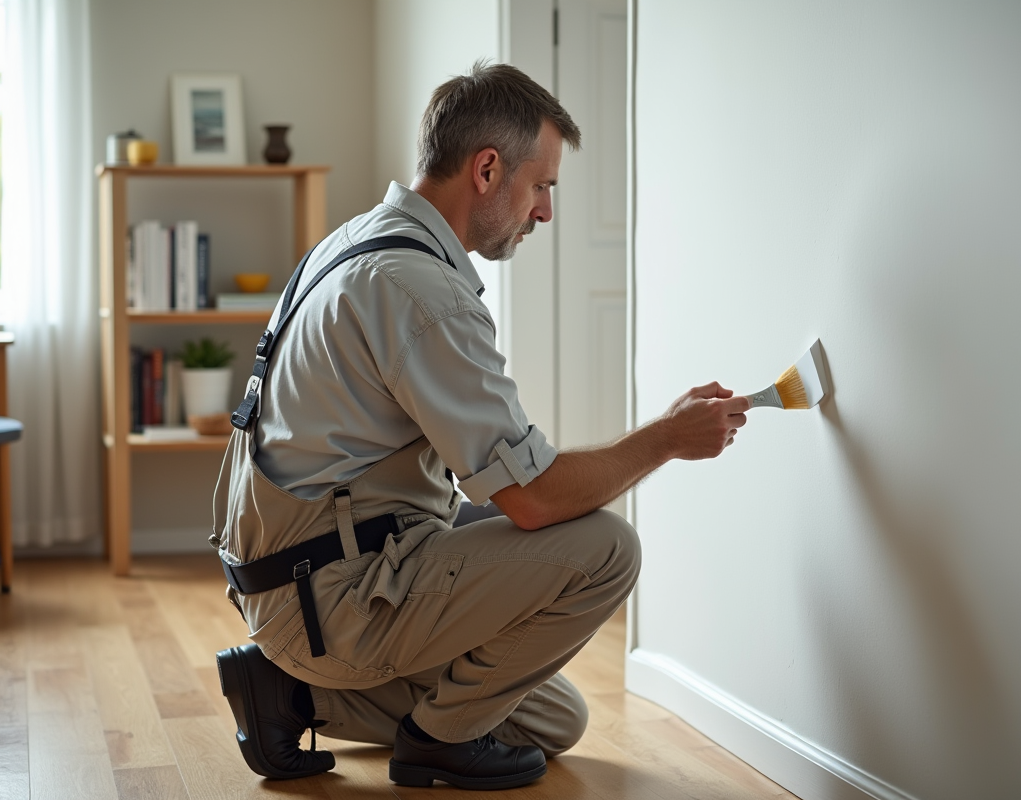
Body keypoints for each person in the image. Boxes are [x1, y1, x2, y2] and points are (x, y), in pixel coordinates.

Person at [211, 61, 750, 791]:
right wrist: (665, 438)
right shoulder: (418, 292)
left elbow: (494, 480)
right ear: (488, 169)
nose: (546, 213)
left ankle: (295, 693)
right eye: (542, 186)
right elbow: (531, 498)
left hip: (298, 572)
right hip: (330, 596)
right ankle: (433, 744)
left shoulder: (355, 243)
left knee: (553, 719)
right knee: (607, 549)